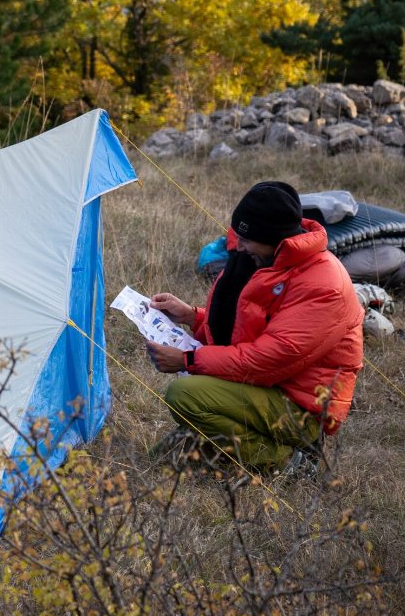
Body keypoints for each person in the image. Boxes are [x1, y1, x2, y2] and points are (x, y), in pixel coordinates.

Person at [145, 181, 364, 472]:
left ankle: (289, 460)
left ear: (274, 238)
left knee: (185, 395)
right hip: (271, 388)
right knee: (168, 451)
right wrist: (191, 317)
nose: (240, 246)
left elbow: (266, 359)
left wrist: (188, 360)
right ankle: (221, 448)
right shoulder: (271, 261)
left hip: (301, 408)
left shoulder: (323, 285)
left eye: (247, 239)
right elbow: (249, 330)